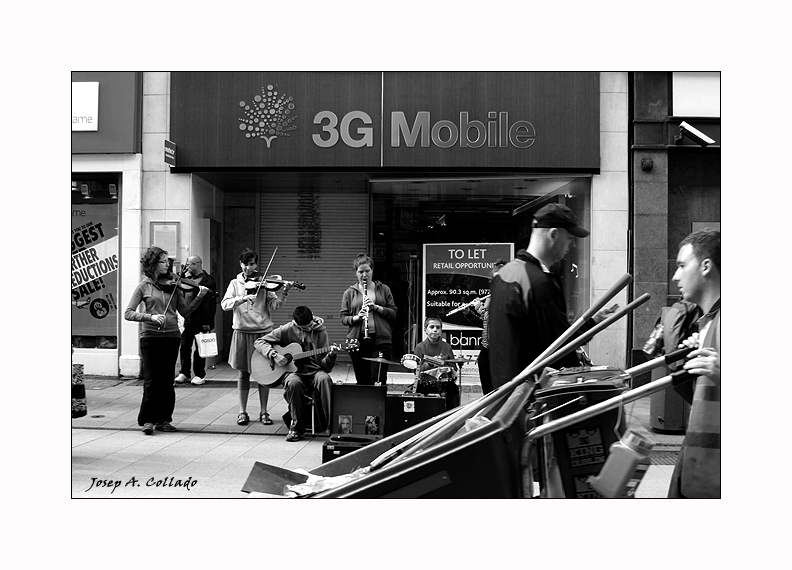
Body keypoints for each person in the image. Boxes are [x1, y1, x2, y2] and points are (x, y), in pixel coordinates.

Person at [488, 203, 617, 389]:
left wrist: (592, 321)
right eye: (570, 238)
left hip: (505, 392)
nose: (572, 245)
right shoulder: (539, 283)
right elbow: (560, 347)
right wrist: (591, 325)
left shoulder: (504, 274)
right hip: (532, 401)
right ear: (553, 234)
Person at [124, 247, 209, 435]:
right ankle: (147, 420)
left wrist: (199, 297)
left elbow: (185, 311)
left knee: (167, 381)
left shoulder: (174, 285)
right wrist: (150, 317)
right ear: (153, 264)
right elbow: (128, 313)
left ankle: (163, 419)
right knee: (152, 380)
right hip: (150, 337)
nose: (167, 264)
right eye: (163, 261)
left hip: (172, 336)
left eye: (167, 261)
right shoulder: (143, 286)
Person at [667, 228, 721, 498]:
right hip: (698, 459)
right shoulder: (708, 321)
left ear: (706, 266)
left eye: (681, 266)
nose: (676, 276)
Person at [222, 248, 292, 426]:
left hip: (262, 333)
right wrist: (242, 298)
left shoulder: (265, 283)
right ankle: (242, 411)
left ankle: (264, 412)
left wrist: (284, 293)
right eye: (248, 264)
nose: (252, 268)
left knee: (264, 375)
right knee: (243, 373)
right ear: (241, 264)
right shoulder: (235, 284)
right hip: (242, 332)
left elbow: (275, 306)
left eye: (254, 264)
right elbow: (225, 304)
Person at [254, 306, 339, 442]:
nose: (306, 330)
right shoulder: (286, 329)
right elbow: (259, 342)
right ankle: (297, 429)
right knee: (293, 383)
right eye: (302, 328)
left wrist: (331, 356)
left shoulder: (321, 331)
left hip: (315, 371)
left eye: (309, 326)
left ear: (313, 321)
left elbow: (325, 367)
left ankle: (331, 426)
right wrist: (274, 355)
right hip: (293, 372)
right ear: (295, 323)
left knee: (324, 379)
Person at [340, 254, 397, 385]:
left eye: (367, 271)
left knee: (378, 379)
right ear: (356, 273)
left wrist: (376, 307)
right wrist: (357, 317)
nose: (364, 275)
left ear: (372, 271)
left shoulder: (384, 289)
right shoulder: (349, 293)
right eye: (360, 272)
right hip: (357, 341)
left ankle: (379, 405)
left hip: (381, 340)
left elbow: (393, 313)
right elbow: (343, 318)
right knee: (362, 379)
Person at [465, 259, 507, 394]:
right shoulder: (491, 298)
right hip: (486, 350)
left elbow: (495, 320)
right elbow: (485, 324)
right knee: (487, 391)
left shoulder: (507, 297)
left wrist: (479, 308)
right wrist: (469, 313)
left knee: (499, 390)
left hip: (499, 351)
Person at [174, 255, 217, 386]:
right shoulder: (186, 280)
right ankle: (185, 373)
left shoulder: (208, 281)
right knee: (185, 346)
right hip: (187, 319)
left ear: (196, 264)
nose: (187, 268)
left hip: (201, 320)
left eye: (189, 265)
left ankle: (199, 374)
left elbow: (210, 305)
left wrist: (207, 322)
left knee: (200, 348)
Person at [412, 316, 461, 409]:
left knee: (453, 389)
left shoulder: (447, 347)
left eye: (438, 327)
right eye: (432, 327)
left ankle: (451, 416)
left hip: (444, 383)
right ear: (425, 330)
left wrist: (448, 369)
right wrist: (429, 364)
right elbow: (416, 370)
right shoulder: (420, 347)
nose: (435, 330)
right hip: (426, 383)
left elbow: (453, 367)